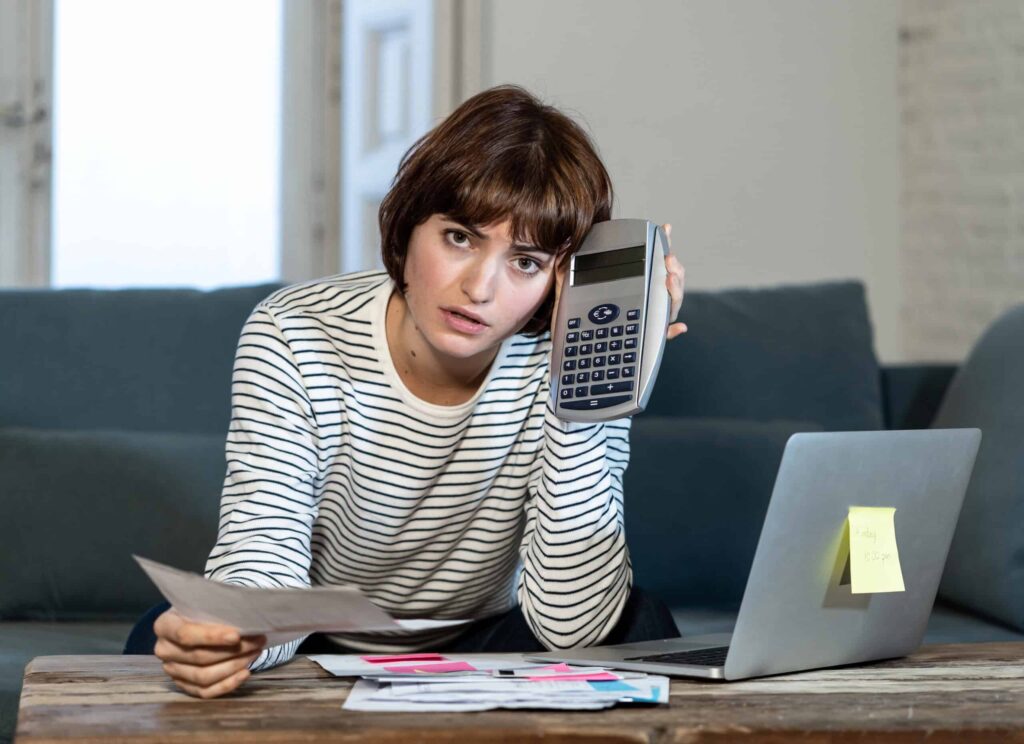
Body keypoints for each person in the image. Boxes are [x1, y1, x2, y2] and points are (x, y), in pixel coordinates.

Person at [125, 84, 688, 699]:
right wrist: (231, 635)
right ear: (409, 223)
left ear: (561, 279)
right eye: (460, 238)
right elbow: (264, 548)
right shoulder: (294, 331)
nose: (480, 288)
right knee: (166, 639)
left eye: (525, 262)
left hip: (497, 634)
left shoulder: (571, 354)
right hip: (318, 637)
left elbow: (571, 625)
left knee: (640, 620)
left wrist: (579, 395)